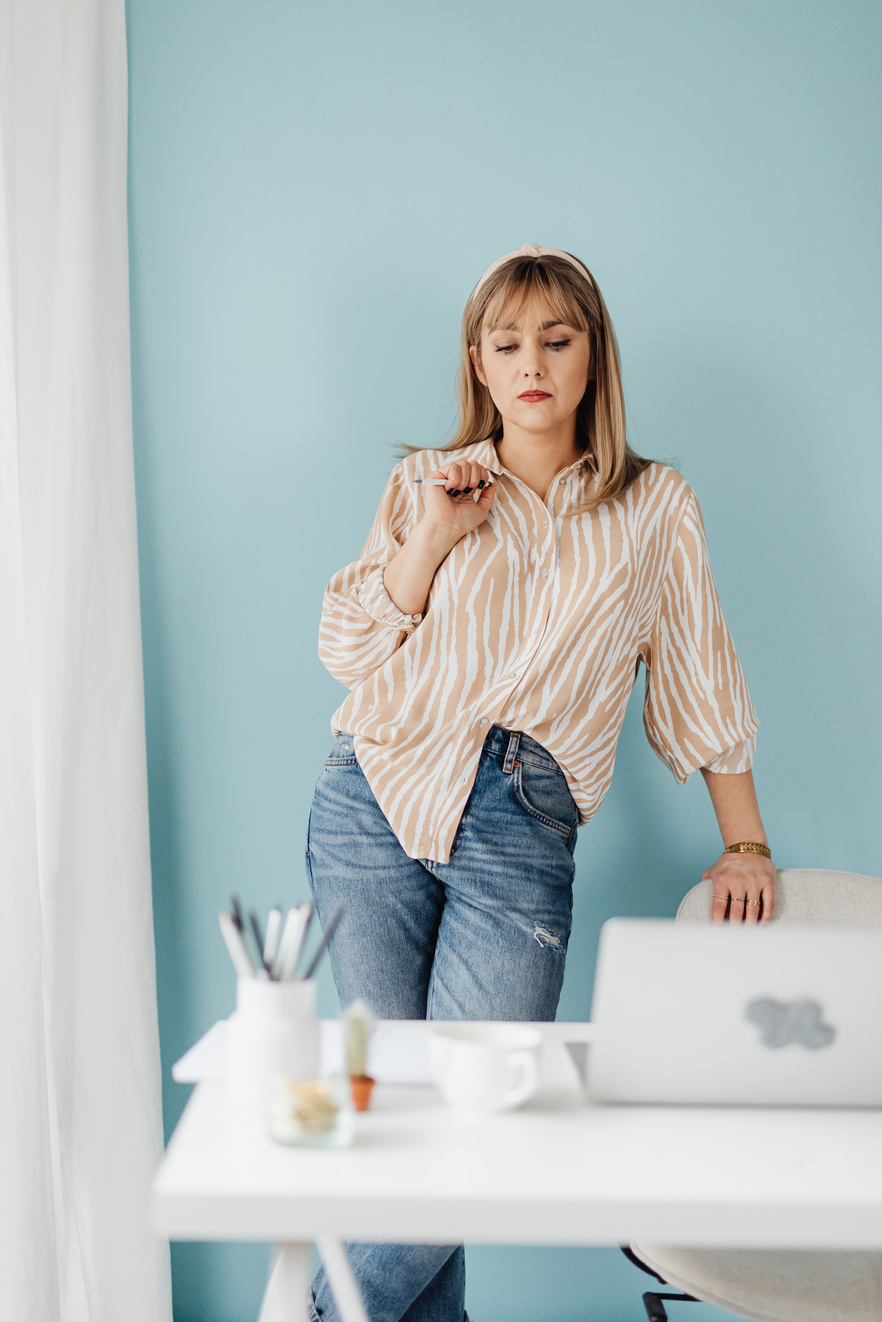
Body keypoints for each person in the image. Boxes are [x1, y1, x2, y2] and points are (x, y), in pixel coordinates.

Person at [305, 244, 775, 1322]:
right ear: (477, 360)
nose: (532, 363)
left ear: (592, 355)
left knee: (469, 1125)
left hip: (523, 823)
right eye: (507, 342)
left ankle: (303, 1309)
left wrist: (744, 840)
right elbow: (345, 646)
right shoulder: (424, 480)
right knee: (399, 1128)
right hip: (372, 792)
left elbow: (702, 668)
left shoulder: (655, 504)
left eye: (556, 339)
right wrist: (429, 535)